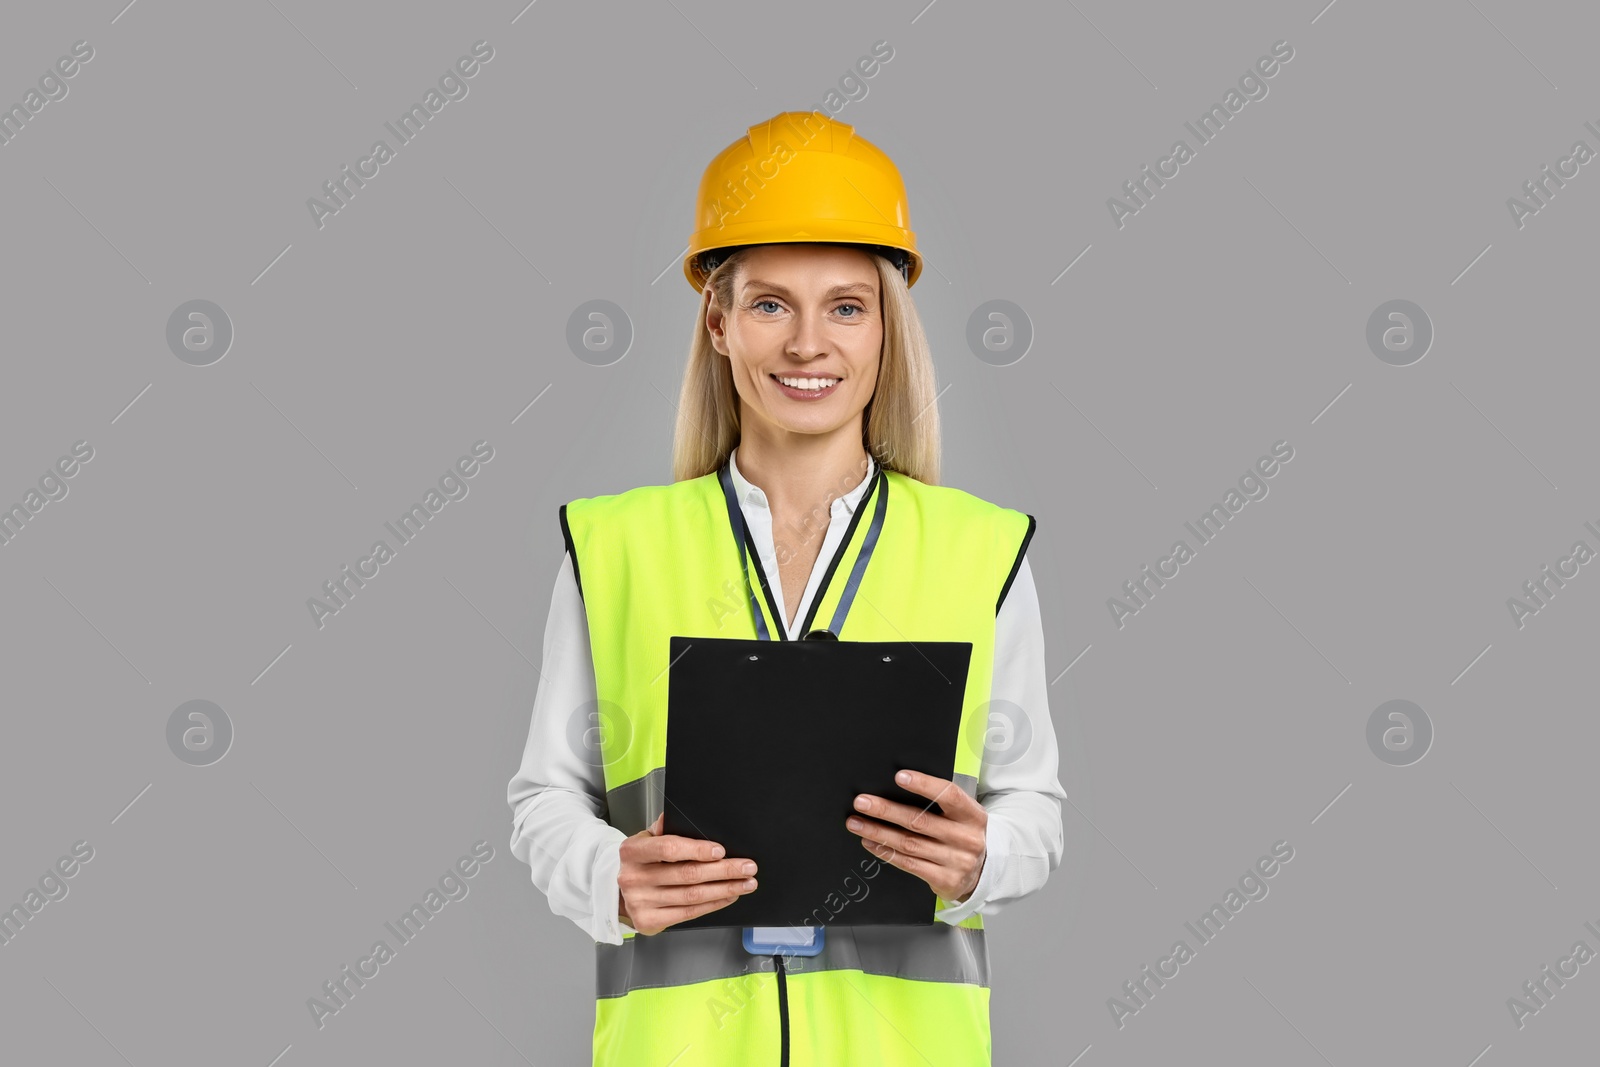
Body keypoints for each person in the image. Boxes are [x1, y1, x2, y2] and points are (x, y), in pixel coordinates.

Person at [507, 110, 1066, 1066]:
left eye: (846, 306)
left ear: (886, 330)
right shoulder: (616, 548)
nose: (809, 343)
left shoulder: (983, 551)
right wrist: (609, 875)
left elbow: (1034, 806)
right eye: (771, 304)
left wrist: (984, 860)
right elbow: (548, 794)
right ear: (718, 323)